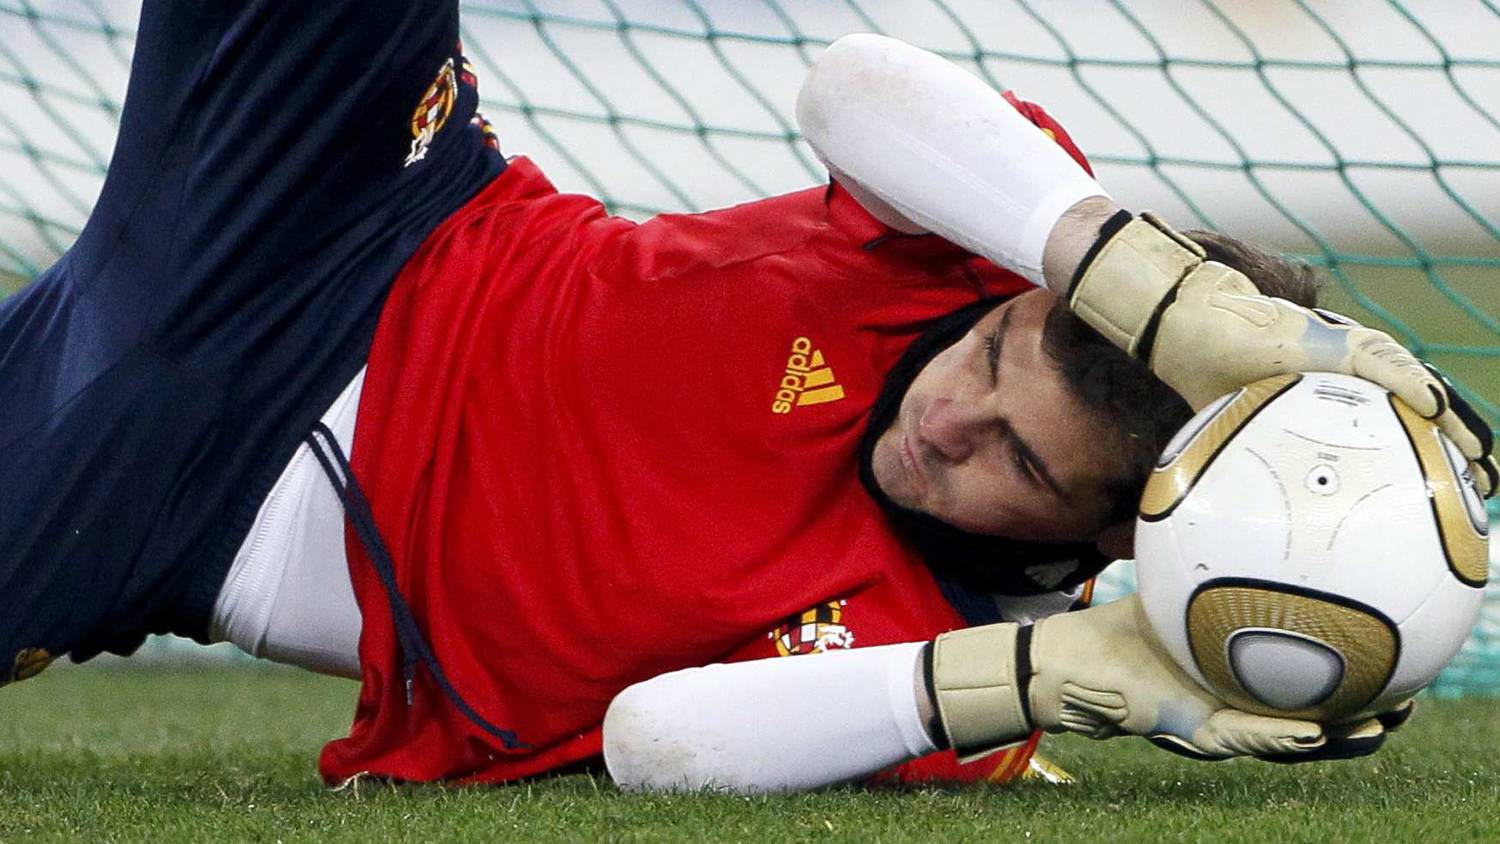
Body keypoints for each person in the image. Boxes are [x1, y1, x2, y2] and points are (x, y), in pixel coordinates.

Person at [1, 4, 1490, 790]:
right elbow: (851, 81)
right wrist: (1150, 284)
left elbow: (661, 743)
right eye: (990, 362)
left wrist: (1048, 679)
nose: (950, 423)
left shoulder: (967, 663)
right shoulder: (981, 234)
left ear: (1107, 542)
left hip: (184, 500)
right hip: (357, 211)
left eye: (1016, 467)